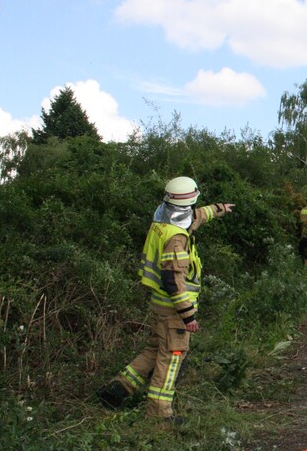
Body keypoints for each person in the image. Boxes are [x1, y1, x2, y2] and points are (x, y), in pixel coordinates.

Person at [96, 176, 234, 424]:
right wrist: (188, 314)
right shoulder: (176, 238)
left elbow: (196, 217)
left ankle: (120, 387)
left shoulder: (162, 221)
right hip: (174, 310)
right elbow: (173, 280)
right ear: (188, 202)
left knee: (154, 348)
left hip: (158, 304)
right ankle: (159, 415)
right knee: (172, 357)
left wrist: (219, 209)